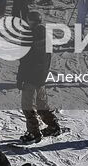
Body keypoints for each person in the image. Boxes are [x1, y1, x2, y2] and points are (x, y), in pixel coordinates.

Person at [15, 10, 61, 144]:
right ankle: (53, 125)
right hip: (41, 76)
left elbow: (25, 61)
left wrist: (20, 79)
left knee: (28, 105)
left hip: (30, 77)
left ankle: (34, 132)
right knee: (41, 103)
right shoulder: (46, 36)